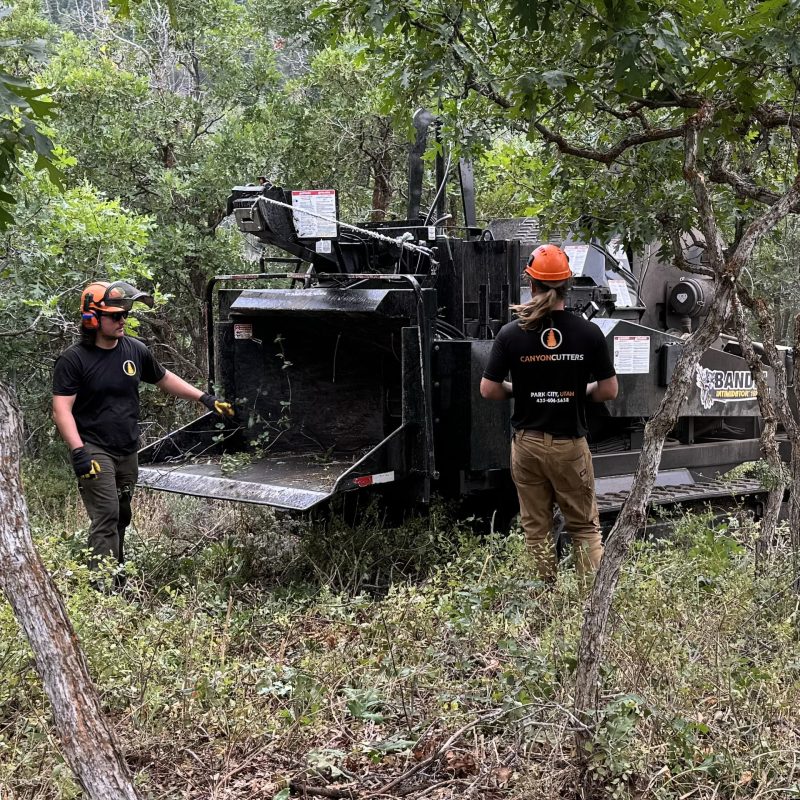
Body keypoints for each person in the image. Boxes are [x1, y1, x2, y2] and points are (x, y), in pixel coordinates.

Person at [52, 280, 234, 576]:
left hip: (127, 448)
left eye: (125, 314)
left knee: (122, 513)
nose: (122, 320)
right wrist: (78, 452)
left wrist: (205, 398)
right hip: (94, 448)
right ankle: (101, 585)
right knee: (107, 515)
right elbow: (61, 409)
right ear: (92, 319)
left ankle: (117, 572)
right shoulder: (74, 360)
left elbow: (164, 378)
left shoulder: (134, 350)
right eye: (115, 316)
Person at [480, 244, 618, 585]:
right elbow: (608, 390)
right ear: (568, 285)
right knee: (584, 528)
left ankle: (542, 604)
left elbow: (489, 389)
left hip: (526, 447)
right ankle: (589, 610)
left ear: (531, 284)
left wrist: (520, 390)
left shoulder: (511, 334)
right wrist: (579, 392)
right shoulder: (588, 333)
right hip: (569, 446)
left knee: (535, 530)